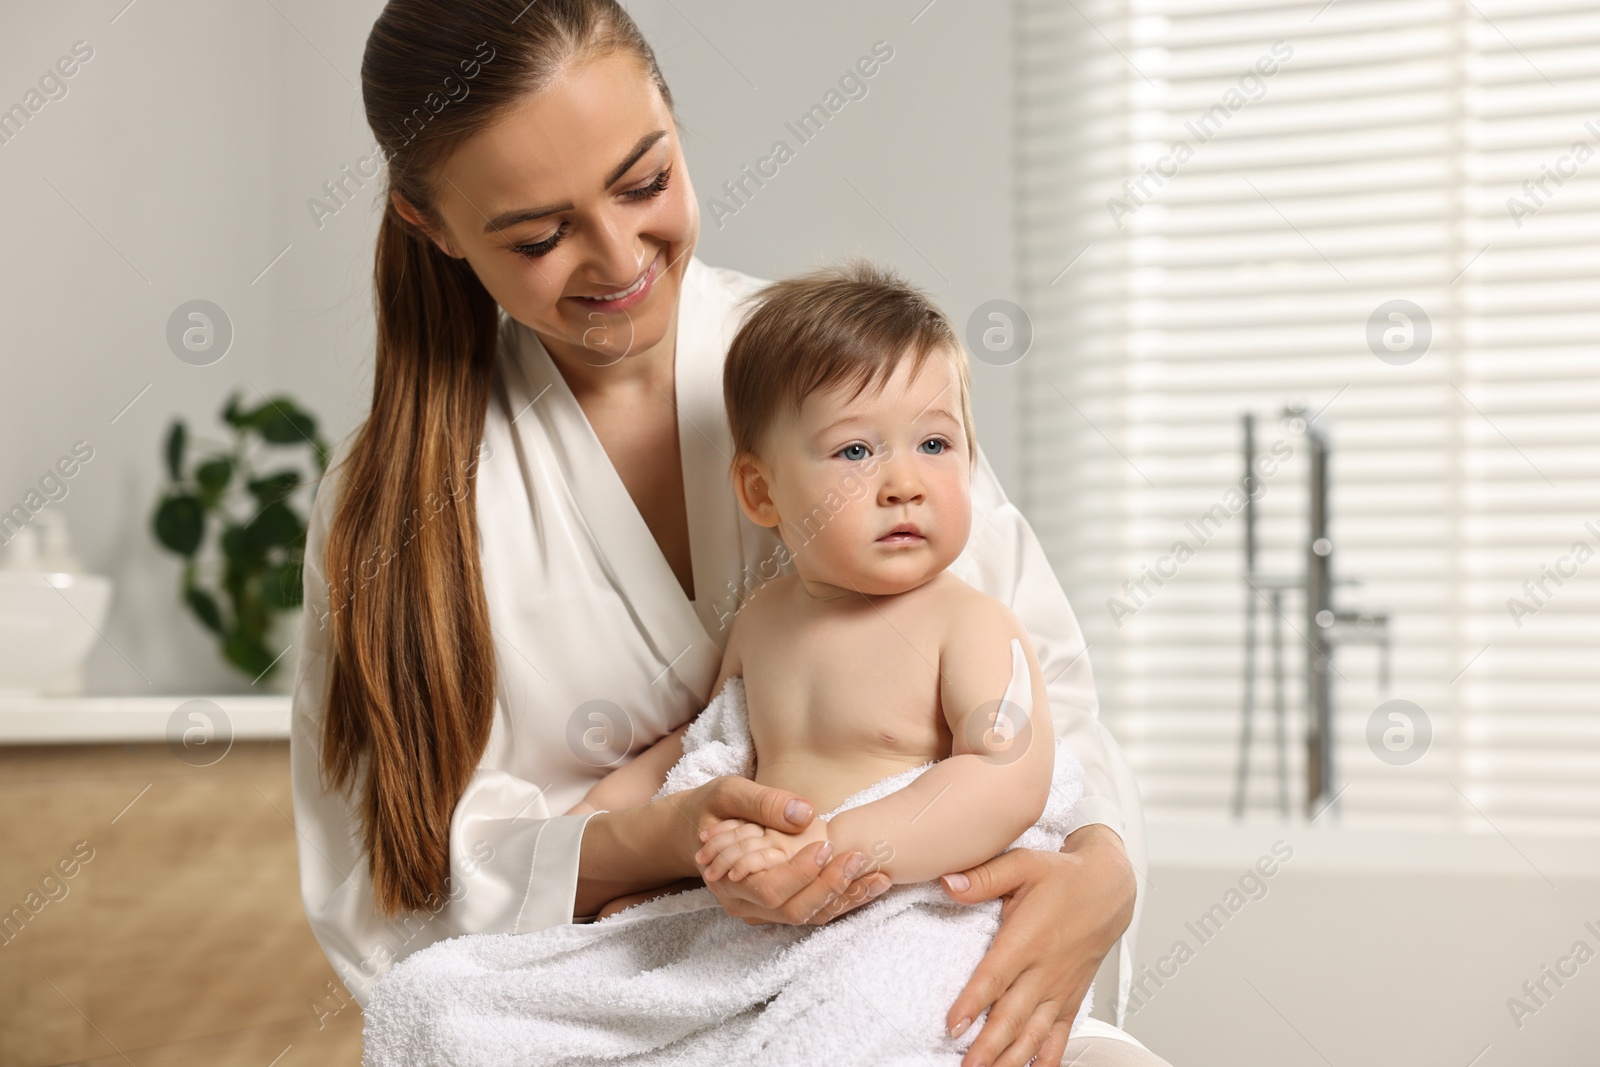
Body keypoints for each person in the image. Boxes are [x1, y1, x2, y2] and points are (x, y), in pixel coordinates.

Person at [290, 1, 1171, 1064]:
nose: (619, 256)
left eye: (644, 181)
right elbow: (388, 893)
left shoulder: (840, 383)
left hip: (900, 946)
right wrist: (665, 837)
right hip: (645, 992)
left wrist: (1102, 870)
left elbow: (1045, 711)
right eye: (538, 235)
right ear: (431, 227)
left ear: (673, 119)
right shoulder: (391, 504)